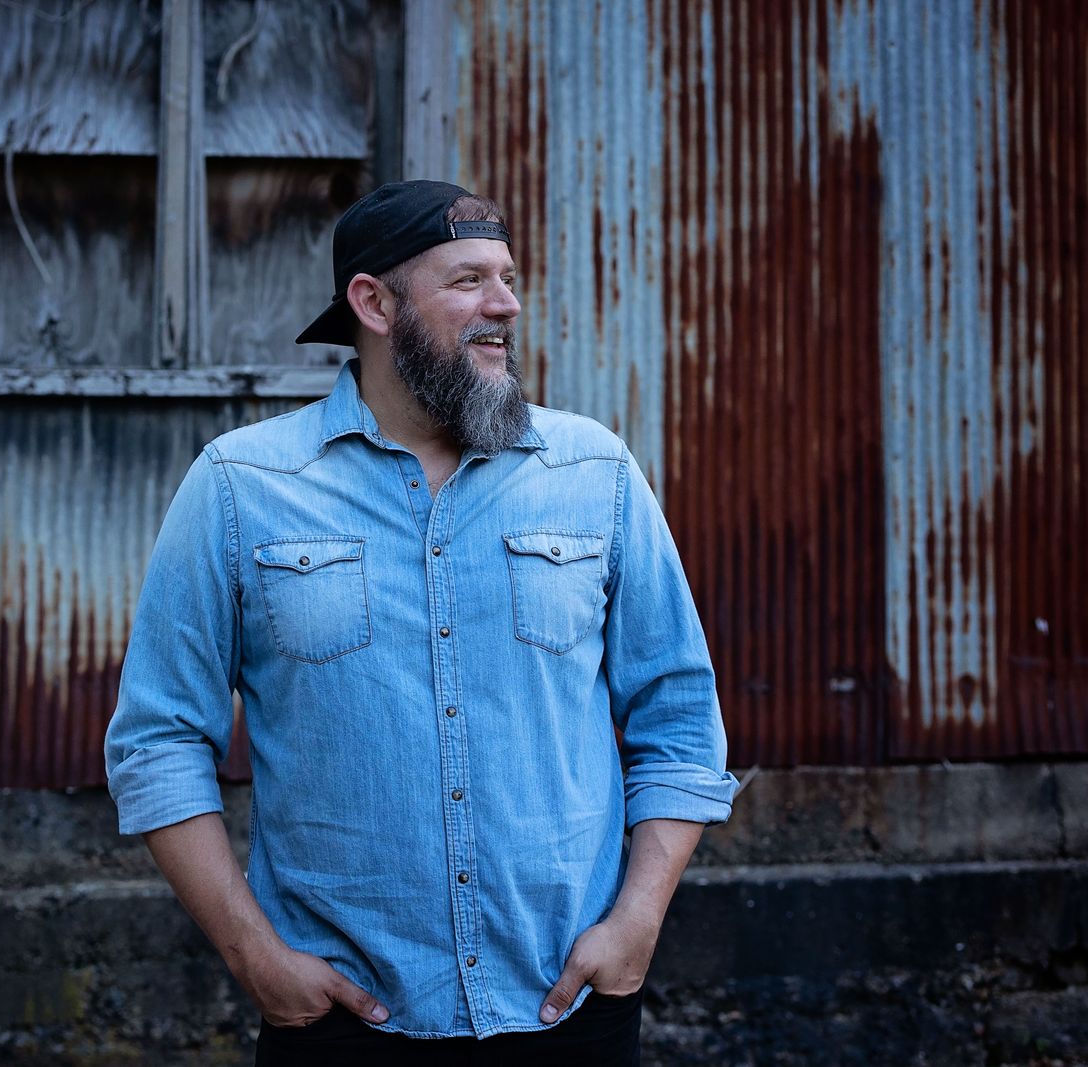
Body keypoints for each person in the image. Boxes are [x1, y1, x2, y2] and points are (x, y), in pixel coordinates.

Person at [104, 180, 738, 1065]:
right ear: (374, 303)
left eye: (507, 277)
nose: (506, 304)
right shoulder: (242, 487)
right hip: (344, 1025)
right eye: (469, 280)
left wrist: (637, 921)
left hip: (568, 1010)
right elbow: (158, 742)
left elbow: (679, 716)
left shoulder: (594, 473)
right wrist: (256, 958)